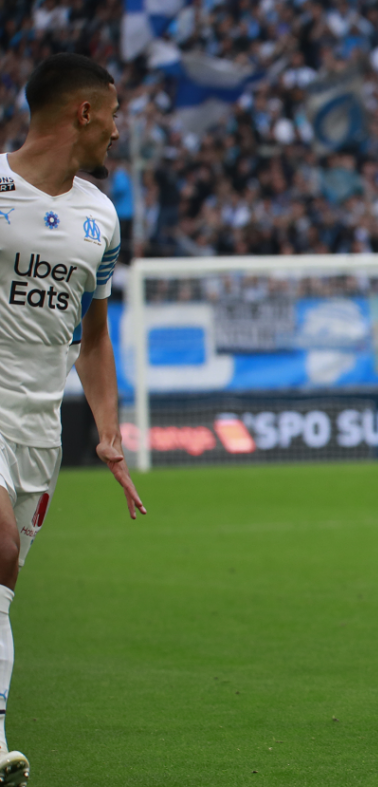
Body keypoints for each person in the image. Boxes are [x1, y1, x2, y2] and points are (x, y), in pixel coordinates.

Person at [0, 53, 147, 785]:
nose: (119, 131)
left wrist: (110, 431)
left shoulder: (100, 217)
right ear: (83, 112)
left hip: (37, 431)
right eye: (115, 114)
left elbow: (94, 339)